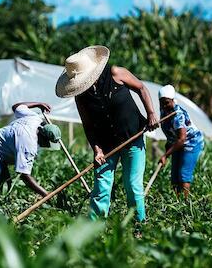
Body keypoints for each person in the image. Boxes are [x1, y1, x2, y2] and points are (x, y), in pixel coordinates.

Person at [55, 45, 159, 228]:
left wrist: (150, 113)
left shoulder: (116, 73)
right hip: (106, 146)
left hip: (133, 138)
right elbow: (88, 125)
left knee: (133, 186)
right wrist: (97, 150)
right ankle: (94, 229)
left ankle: (139, 226)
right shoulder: (81, 97)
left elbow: (141, 88)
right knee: (101, 188)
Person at [0, 102, 61, 197]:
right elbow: (24, 175)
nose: (47, 146)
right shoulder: (28, 144)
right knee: (2, 186)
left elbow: (16, 107)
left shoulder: (35, 118)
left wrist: (38, 104)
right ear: (42, 137)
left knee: (6, 184)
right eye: (48, 144)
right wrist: (47, 195)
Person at [158, 84, 204, 198]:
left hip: (191, 143)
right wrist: (167, 149)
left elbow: (182, 139)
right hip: (177, 143)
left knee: (183, 175)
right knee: (174, 177)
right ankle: (176, 201)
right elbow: (171, 135)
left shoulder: (178, 115)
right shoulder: (163, 112)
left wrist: (165, 155)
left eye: (167, 102)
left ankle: (184, 205)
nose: (164, 105)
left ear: (173, 100)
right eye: (162, 102)